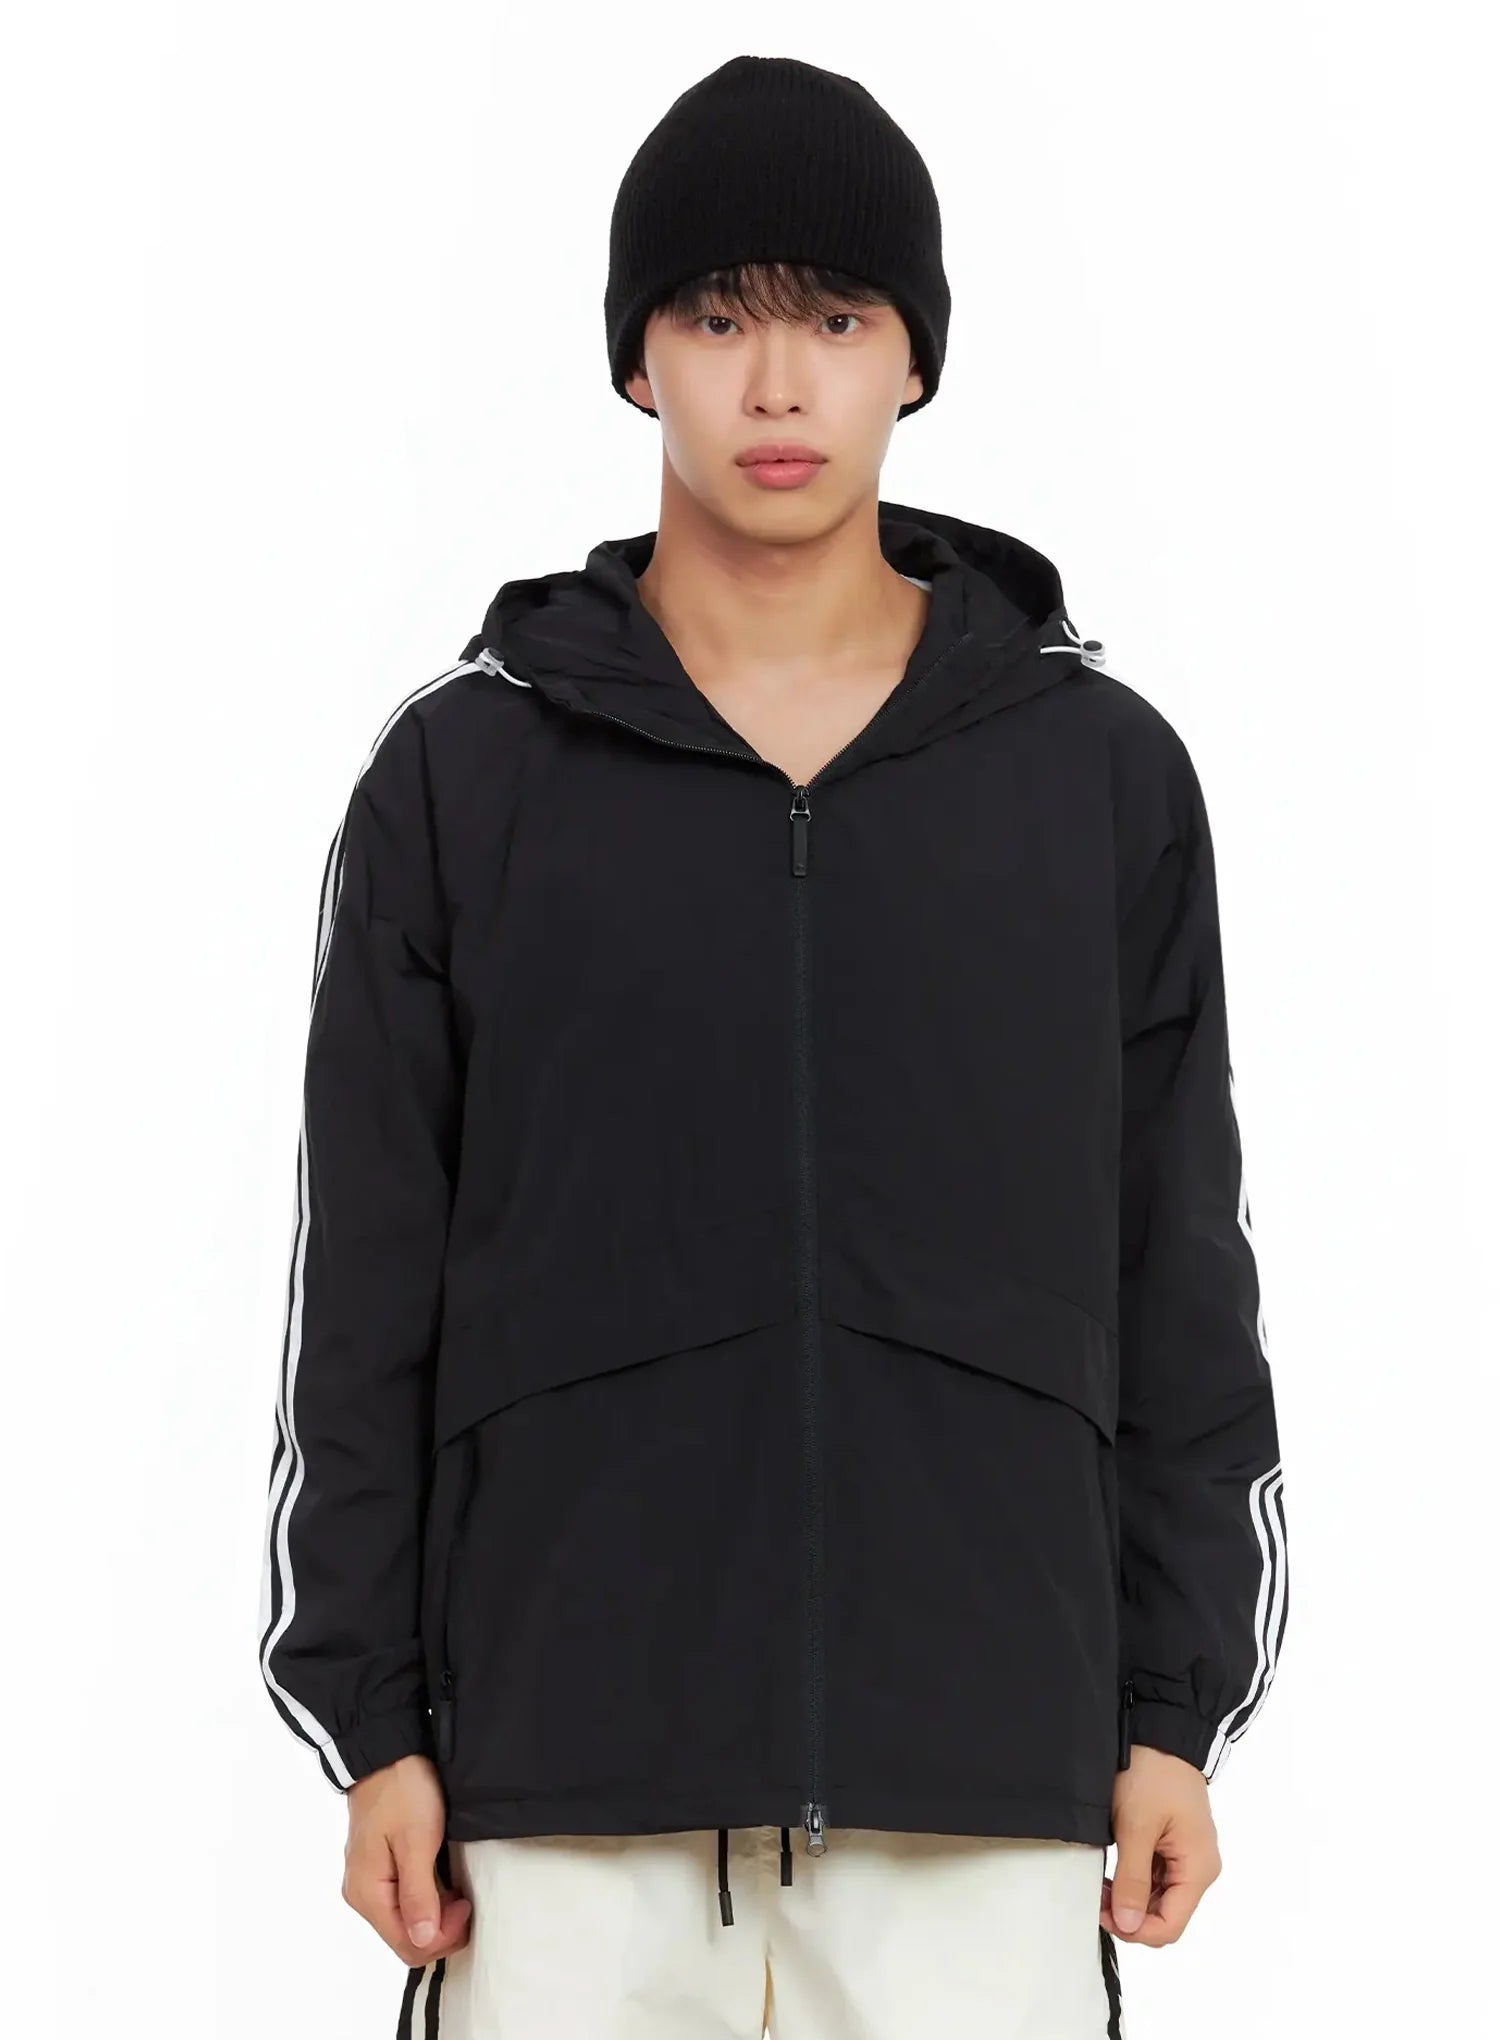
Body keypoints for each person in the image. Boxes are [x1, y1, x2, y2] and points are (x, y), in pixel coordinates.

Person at [258, 51, 1288, 2040]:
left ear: (915, 359)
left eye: (837, 317)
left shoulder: (1095, 778)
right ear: (640, 359)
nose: (780, 381)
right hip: (563, 1786)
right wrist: (375, 1719)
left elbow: (1181, 1264)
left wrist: (1173, 1710)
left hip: (980, 1781)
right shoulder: (466, 778)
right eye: (719, 318)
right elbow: (368, 1280)